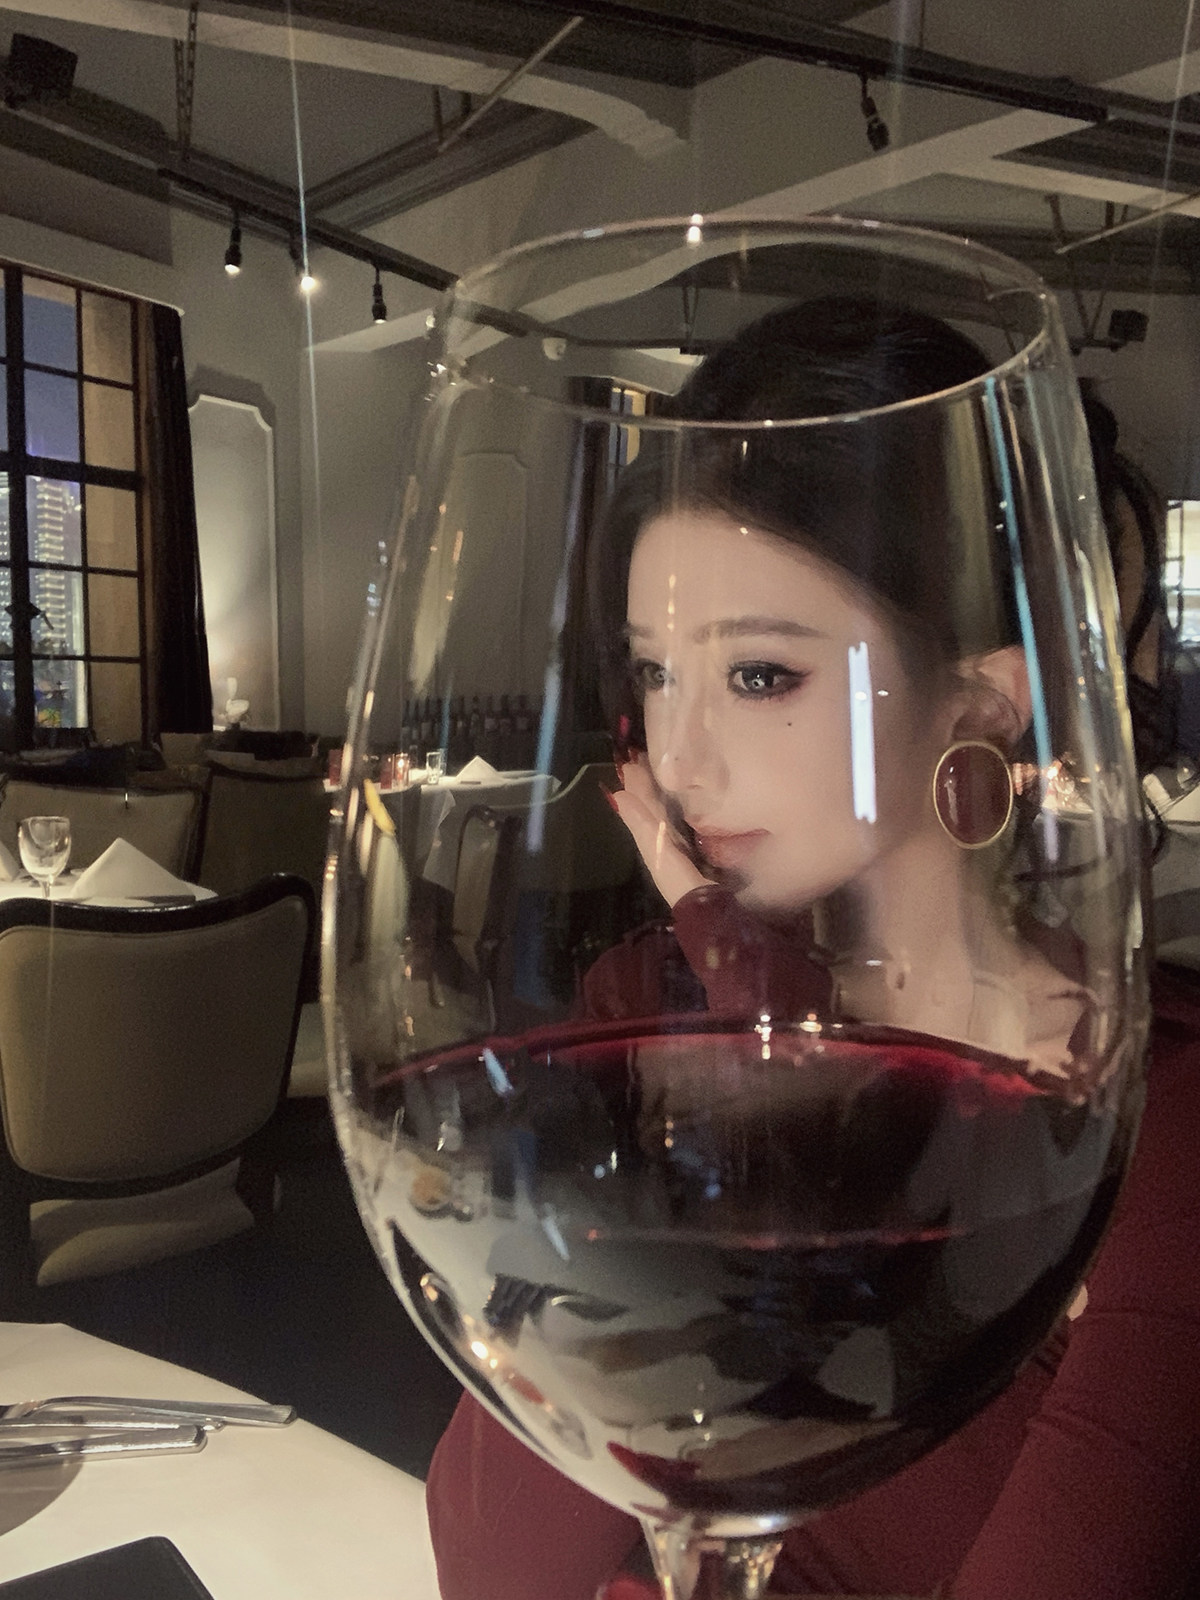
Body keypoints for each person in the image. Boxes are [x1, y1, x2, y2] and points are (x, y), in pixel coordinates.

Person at [426, 302, 1200, 1600]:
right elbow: (496, 1564)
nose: (679, 759)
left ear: (980, 699)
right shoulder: (656, 1013)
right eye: (656, 674)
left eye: (758, 675)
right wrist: (749, 1020)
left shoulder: (1151, 1138)